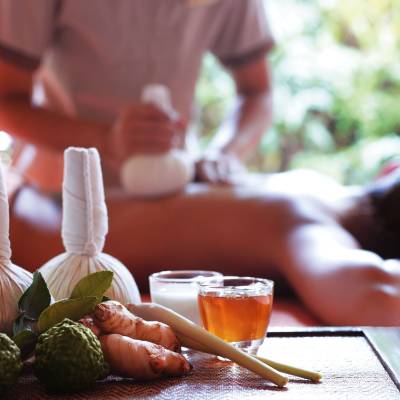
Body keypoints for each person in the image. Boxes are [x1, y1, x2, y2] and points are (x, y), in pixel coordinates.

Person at [0, 0, 399, 326]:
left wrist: (223, 153)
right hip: (47, 206)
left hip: (70, 209)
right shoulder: (306, 205)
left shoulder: (311, 203)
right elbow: (377, 292)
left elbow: (256, 90)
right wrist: (105, 139)